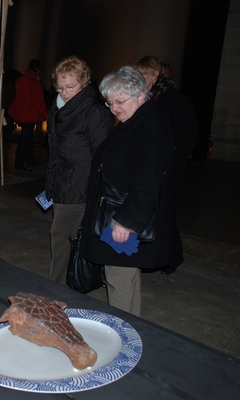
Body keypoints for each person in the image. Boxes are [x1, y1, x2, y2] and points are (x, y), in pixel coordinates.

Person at [80, 66, 182, 316]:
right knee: (125, 277)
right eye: (110, 102)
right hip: (116, 212)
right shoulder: (136, 120)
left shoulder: (150, 125)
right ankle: (132, 327)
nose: (114, 108)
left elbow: (148, 181)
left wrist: (127, 222)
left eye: (120, 101)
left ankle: (121, 334)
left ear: (140, 94)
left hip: (121, 218)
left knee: (119, 279)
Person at [44, 55, 113, 286]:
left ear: (83, 82)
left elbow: (103, 154)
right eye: (60, 87)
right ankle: (62, 287)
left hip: (79, 186)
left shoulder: (93, 110)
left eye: (70, 87)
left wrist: (97, 190)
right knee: (63, 238)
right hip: (61, 182)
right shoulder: (59, 106)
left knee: (61, 238)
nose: (64, 92)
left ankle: (57, 292)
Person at [133, 55, 198, 274]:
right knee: (154, 211)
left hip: (170, 165)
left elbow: (188, 132)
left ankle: (169, 259)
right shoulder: (146, 98)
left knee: (165, 211)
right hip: (152, 163)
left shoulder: (173, 98)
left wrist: (176, 155)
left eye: (142, 74)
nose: (139, 78)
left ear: (154, 74)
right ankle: (160, 257)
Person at [8, 59, 48, 171]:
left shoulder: (21, 80)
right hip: (30, 116)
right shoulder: (34, 84)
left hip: (22, 114)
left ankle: (30, 161)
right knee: (25, 140)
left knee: (27, 139)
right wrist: (46, 115)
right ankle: (19, 164)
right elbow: (39, 102)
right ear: (38, 70)